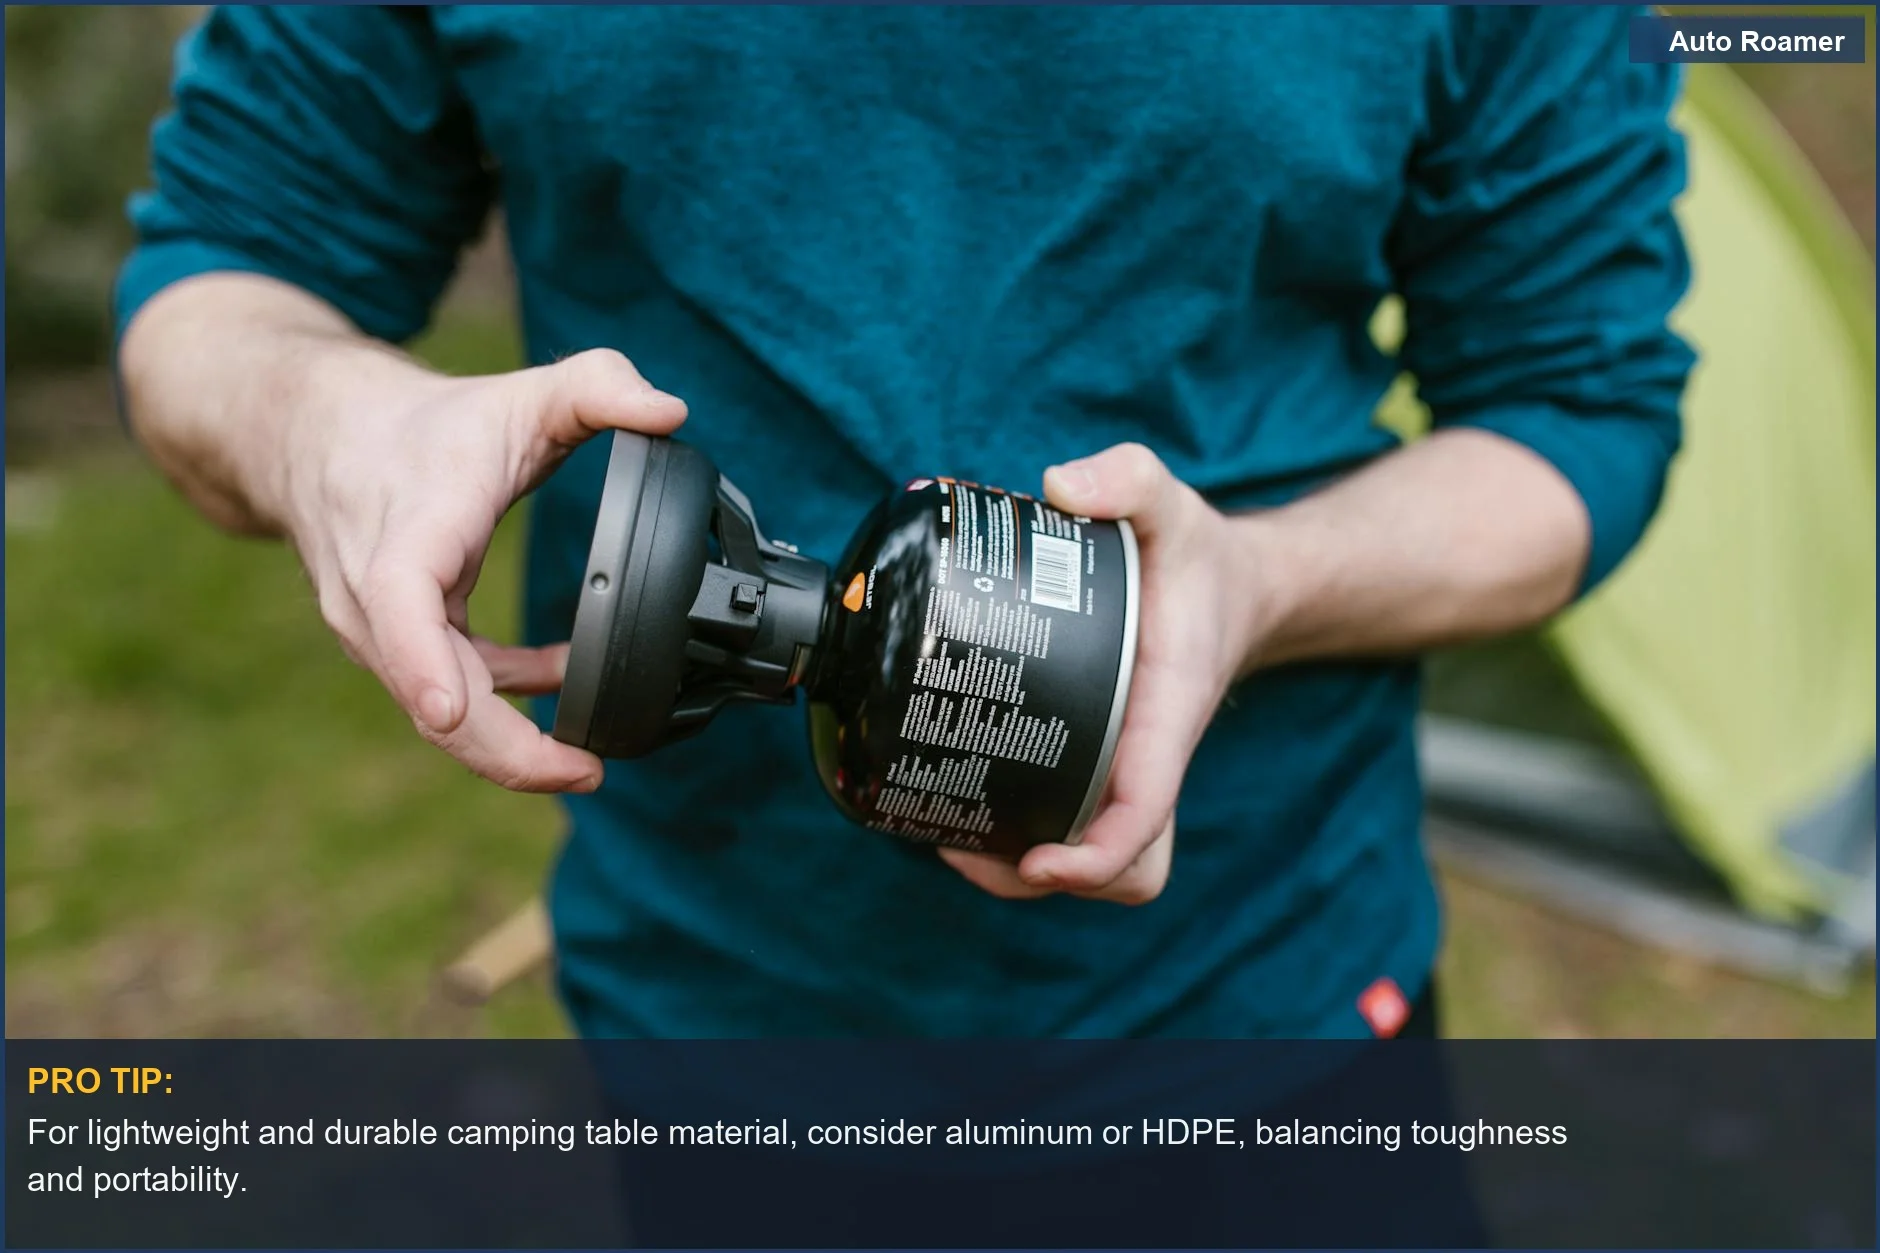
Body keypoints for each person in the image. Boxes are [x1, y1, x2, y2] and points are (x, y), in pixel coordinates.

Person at [118, 6, 1693, 1043]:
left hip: (1273, 1008)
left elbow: (1580, 414)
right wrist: (330, 424)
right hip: (711, 1033)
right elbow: (217, 279)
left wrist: (1261, 585)